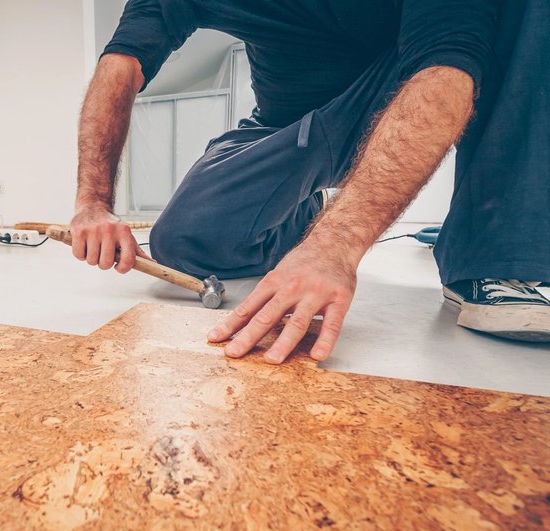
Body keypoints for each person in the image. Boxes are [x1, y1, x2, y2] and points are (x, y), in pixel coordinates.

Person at [70, 0, 550, 363]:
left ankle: (494, 258)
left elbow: (447, 64)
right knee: (182, 240)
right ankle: (306, 214)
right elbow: (121, 64)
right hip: (285, 125)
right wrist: (93, 201)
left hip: (396, 90)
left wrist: (337, 247)